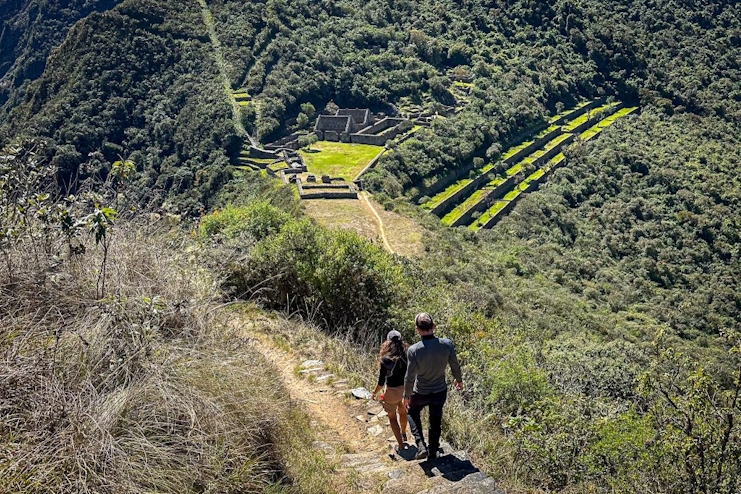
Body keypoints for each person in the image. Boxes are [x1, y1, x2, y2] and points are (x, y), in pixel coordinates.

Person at [403, 312, 463, 460]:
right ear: (434, 327)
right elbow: (455, 365)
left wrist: (406, 395)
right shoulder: (446, 344)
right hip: (439, 391)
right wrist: (459, 380)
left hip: (420, 391)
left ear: (417, 329)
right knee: (435, 420)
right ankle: (433, 450)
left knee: (411, 412)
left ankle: (421, 445)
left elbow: (410, 376)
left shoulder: (414, 350)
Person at [371, 330, 409, 453]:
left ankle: (401, 445)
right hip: (405, 390)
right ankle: (403, 433)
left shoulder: (385, 360)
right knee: (403, 413)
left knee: (392, 418)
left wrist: (374, 392)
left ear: (388, 342)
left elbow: (381, 382)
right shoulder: (407, 356)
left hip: (392, 392)